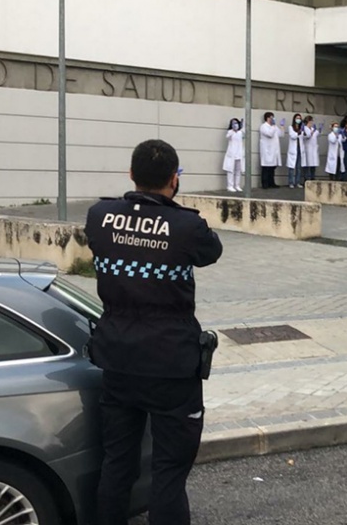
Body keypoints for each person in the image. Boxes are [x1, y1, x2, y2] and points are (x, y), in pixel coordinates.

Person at [86, 139, 224, 525]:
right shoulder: (187, 225)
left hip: (117, 359)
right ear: (174, 180)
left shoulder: (100, 215)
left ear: (131, 175)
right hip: (171, 366)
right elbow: (211, 251)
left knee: (117, 464)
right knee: (168, 472)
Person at [259, 112, 283, 189]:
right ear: (267, 118)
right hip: (267, 150)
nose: (272, 119)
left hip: (274, 150)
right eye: (271, 118)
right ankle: (265, 183)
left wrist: (281, 126)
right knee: (266, 168)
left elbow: (281, 134)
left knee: (272, 168)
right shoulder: (263, 126)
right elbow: (270, 134)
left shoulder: (274, 126)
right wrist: (273, 126)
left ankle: (271, 183)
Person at [223, 118, 244, 192]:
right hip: (231, 154)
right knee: (230, 170)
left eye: (236, 123)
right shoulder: (230, 132)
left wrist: (242, 126)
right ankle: (230, 186)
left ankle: (237, 185)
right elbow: (227, 136)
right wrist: (233, 130)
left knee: (238, 171)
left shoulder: (240, 132)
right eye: (233, 123)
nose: (235, 125)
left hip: (239, 154)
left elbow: (244, 136)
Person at [286, 113, 305, 188]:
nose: (298, 120)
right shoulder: (291, 127)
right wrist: (299, 132)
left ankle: (297, 182)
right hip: (293, 149)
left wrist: (303, 131)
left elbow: (304, 137)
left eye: (300, 118)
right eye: (297, 118)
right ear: (294, 119)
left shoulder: (302, 128)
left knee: (298, 167)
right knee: (291, 167)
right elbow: (293, 136)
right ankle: (291, 182)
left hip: (300, 148)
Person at [302, 115, 321, 183]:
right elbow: (307, 136)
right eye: (311, 121)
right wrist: (312, 132)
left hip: (313, 149)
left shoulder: (312, 128)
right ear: (308, 122)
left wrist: (319, 130)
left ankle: (313, 178)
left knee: (313, 165)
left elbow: (316, 135)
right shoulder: (304, 128)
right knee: (307, 165)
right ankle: (306, 179)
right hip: (308, 149)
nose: (312, 123)